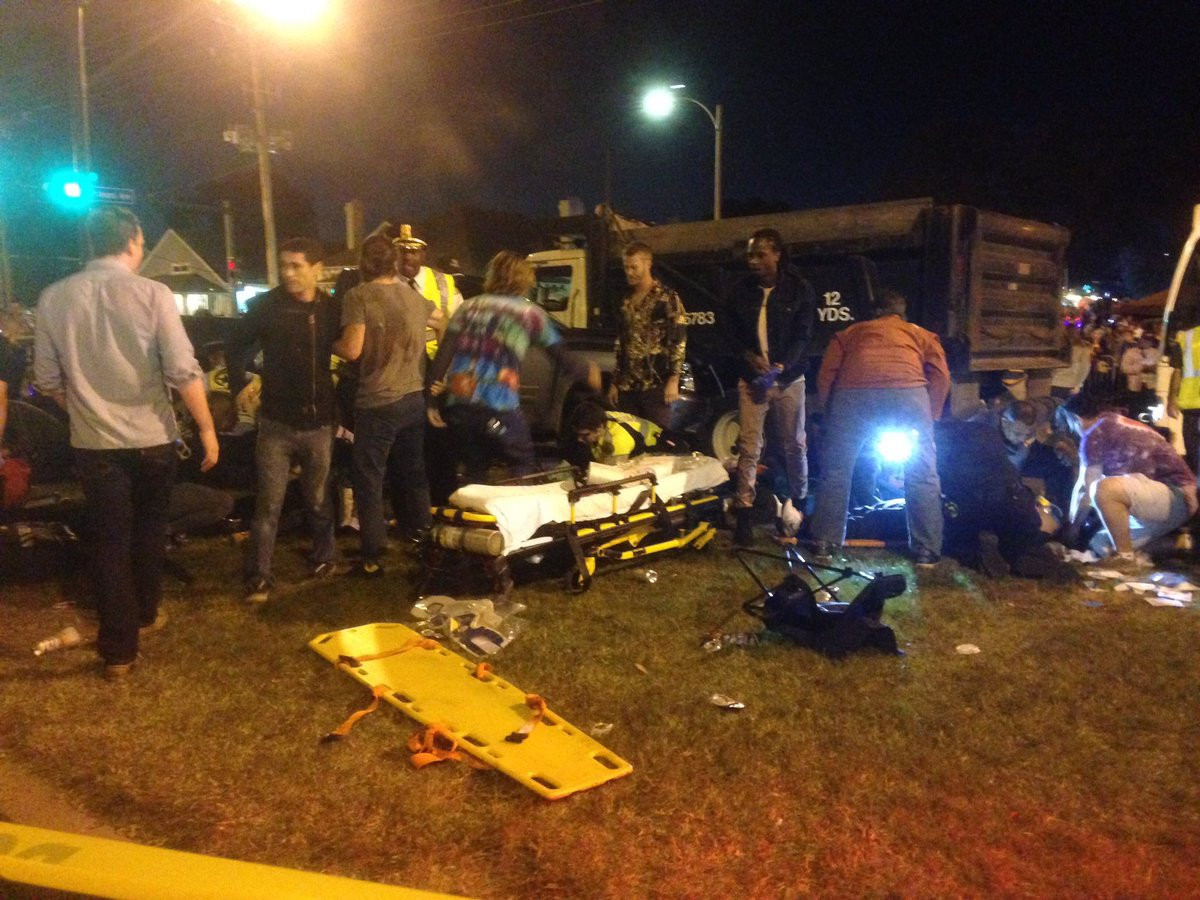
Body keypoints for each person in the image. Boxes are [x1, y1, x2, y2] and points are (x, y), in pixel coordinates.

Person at [33, 205, 218, 679]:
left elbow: (48, 378)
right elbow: (182, 370)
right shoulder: (154, 294)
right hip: (152, 439)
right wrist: (207, 428)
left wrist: (83, 408)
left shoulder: (54, 298)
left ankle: (118, 652)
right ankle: (147, 612)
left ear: (92, 243)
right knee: (149, 530)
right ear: (134, 240)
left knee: (110, 542)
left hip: (95, 444)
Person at [227, 237, 340, 603]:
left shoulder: (331, 309)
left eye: (297, 265)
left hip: (320, 421)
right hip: (276, 422)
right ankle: (258, 575)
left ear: (317, 269)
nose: (288, 272)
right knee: (269, 504)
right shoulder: (266, 306)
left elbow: (353, 343)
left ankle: (325, 557)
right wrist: (239, 382)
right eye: (284, 265)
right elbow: (234, 344)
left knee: (319, 498)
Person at [426, 251, 600, 484]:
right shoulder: (529, 314)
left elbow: (443, 356)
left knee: (475, 469)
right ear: (524, 279)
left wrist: (431, 403)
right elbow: (561, 356)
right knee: (522, 461)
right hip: (498, 408)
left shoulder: (468, 308)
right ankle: (519, 516)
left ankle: (476, 515)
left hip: (460, 408)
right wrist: (588, 373)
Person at [810, 288, 949, 567]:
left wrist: (831, 413)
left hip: (853, 396)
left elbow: (826, 374)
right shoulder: (919, 333)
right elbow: (941, 374)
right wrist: (930, 414)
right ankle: (926, 549)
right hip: (909, 396)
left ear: (873, 314)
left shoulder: (849, 333)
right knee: (921, 472)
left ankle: (825, 543)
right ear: (901, 314)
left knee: (836, 472)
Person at [333, 234, 442, 577]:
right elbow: (442, 322)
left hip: (377, 401)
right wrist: (434, 366)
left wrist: (327, 344)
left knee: (369, 477)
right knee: (413, 473)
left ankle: (374, 553)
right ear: (394, 261)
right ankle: (425, 540)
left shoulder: (359, 296)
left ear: (365, 263)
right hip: (413, 398)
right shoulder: (413, 297)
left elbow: (352, 349)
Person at [726, 228, 815, 546]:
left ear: (777, 254)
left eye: (761, 254)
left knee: (795, 445)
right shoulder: (741, 291)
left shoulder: (798, 289)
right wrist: (749, 358)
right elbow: (731, 334)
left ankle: (800, 507)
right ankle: (744, 514)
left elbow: (803, 336)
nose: (754, 262)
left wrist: (780, 366)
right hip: (753, 381)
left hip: (788, 380)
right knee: (749, 447)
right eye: (750, 255)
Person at [1063, 390, 1197, 570]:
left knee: (1103, 489)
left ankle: (1125, 559)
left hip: (1173, 496)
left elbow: (1085, 490)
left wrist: (1073, 528)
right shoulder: (1117, 423)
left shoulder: (1094, 433)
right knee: (1101, 544)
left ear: (1075, 418)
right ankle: (1174, 545)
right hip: (1178, 502)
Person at [606, 242, 687, 429]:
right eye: (626, 267)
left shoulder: (667, 298)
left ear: (647, 264)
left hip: (655, 385)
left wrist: (673, 379)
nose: (629, 272)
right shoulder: (626, 301)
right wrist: (615, 382)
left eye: (634, 267)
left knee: (655, 442)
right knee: (628, 440)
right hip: (628, 387)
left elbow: (678, 340)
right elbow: (621, 343)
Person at [393, 224, 463, 360]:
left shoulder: (444, 284)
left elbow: (459, 331)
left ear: (423, 254)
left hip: (433, 366)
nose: (407, 257)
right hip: (395, 368)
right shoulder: (382, 282)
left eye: (413, 252)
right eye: (402, 251)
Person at [562, 399, 682, 469]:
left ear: (599, 428)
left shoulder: (617, 441)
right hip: (646, 438)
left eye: (585, 435)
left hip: (661, 452)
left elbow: (611, 478)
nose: (579, 439)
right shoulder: (601, 417)